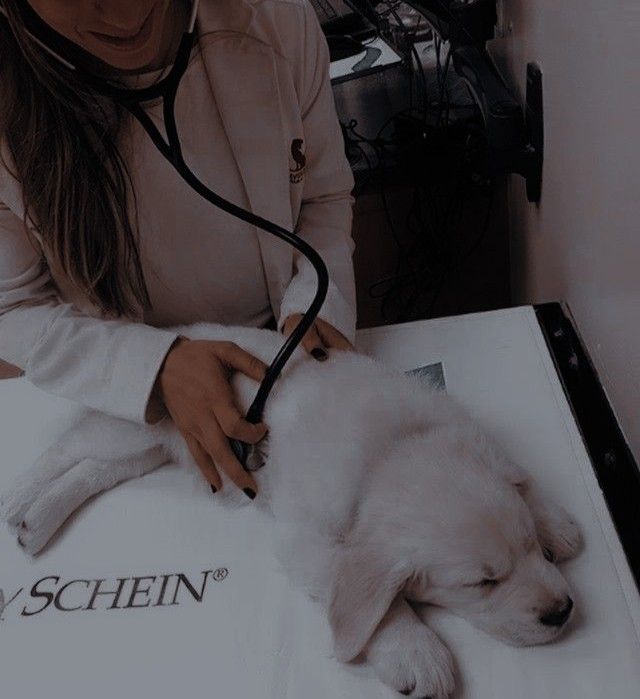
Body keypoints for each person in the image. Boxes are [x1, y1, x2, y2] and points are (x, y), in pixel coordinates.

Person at [0, 0, 358, 499]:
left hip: (283, 362)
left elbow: (323, 196)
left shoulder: (274, 18)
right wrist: (153, 367)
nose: (125, 17)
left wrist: (318, 301)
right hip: (128, 397)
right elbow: (11, 308)